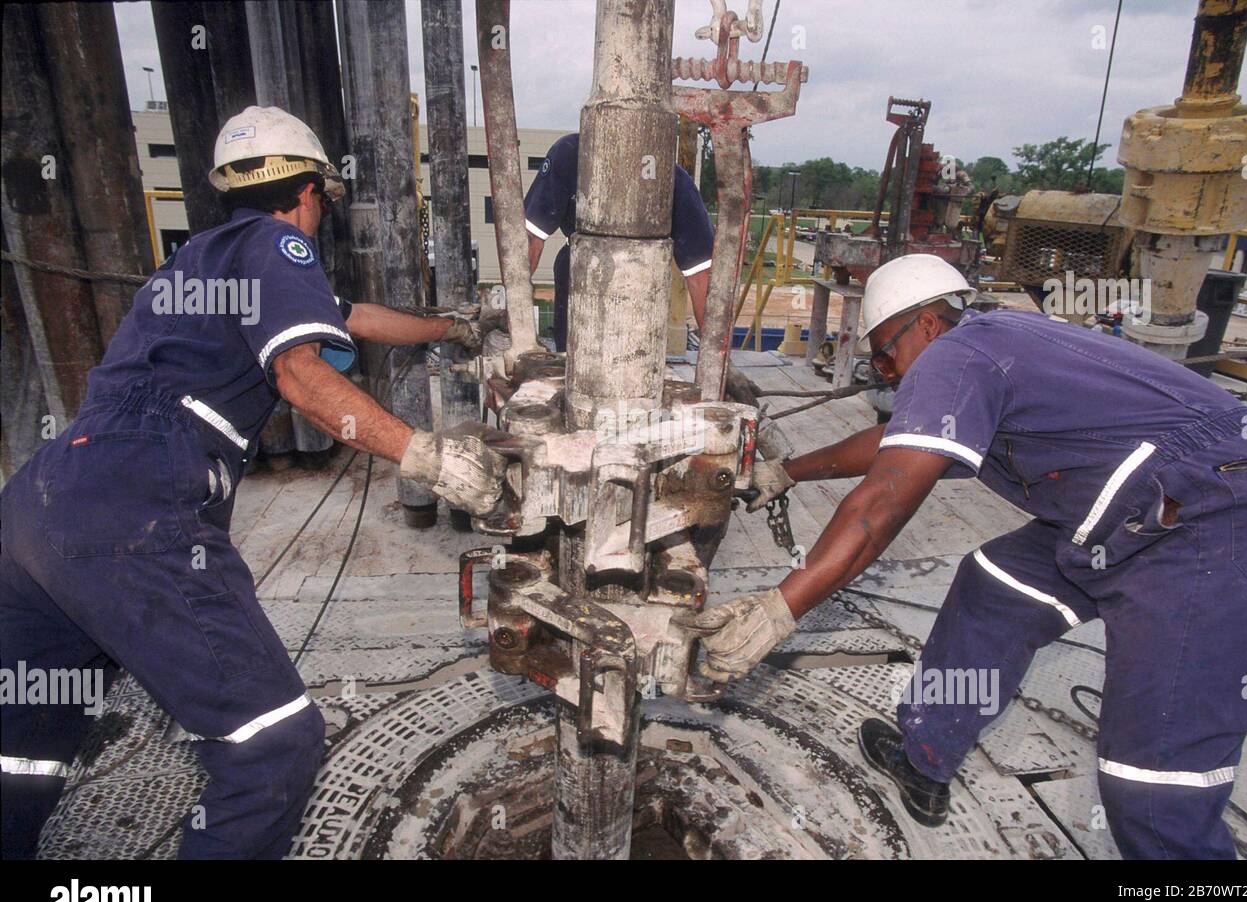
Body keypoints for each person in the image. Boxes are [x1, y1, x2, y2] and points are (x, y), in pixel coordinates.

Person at [0, 106, 508, 859]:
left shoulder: (201, 259)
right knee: (273, 746)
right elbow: (301, 374)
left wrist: (456, 327)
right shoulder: (280, 245)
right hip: (134, 504)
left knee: (24, 746)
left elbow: (356, 316)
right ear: (309, 192)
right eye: (322, 204)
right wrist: (432, 458)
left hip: (42, 501)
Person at [685, 253, 1247, 859]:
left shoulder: (961, 351)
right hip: (1128, 520)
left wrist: (780, 608)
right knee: (997, 586)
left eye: (885, 353)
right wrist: (786, 472)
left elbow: (880, 505)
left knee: (1154, 786)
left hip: (1222, 525)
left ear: (926, 322)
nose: (884, 373)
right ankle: (926, 756)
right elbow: (891, 441)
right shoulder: (990, 351)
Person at [523, 132, 714, 350]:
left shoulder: (671, 178)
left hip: (642, 290)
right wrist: (515, 316)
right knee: (571, 363)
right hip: (577, 275)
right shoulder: (570, 154)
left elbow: (701, 275)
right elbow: (531, 238)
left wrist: (714, 359)